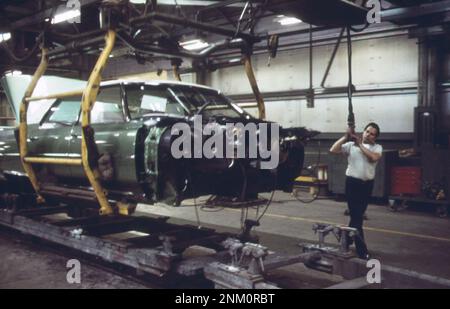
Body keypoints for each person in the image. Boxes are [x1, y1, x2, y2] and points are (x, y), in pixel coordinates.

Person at [329, 122, 382, 259]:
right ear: (363, 132)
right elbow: (333, 150)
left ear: (375, 137)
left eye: (372, 134)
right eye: (368, 132)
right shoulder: (351, 146)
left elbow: (373, 157)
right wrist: (345, 137)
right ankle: (361, 250)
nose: (369, 135)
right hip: (352, 184)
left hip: (367, 185)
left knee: (356, 217)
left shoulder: (377, 148)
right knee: (357, 217)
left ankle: (346, 238)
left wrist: (360, 145)